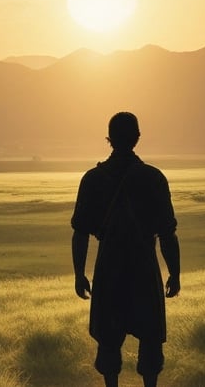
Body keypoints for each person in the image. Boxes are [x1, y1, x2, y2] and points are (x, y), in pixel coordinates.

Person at [71, 112, 181, 387]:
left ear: (109, 139)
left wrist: (79, 274)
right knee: (150, 341)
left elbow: (80, 233)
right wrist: (175, 273)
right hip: (145, 268)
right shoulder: (153, 178)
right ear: (137, 138)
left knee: (108, 342)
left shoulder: (93, 179)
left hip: (109, 269)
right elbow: (167, 234)